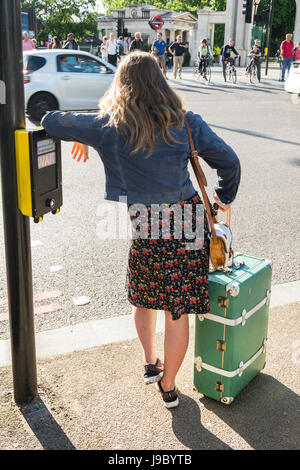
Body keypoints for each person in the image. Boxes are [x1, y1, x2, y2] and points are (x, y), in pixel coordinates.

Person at [41, 52, 240, 409]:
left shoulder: (108, 124)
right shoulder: (186, 122)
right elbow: (229, 161)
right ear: (160, 82)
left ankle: (150, 363)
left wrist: (84, 135)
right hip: (186, 222)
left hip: (146, 224)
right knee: (176, 310)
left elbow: (49, 120)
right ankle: (169, 385)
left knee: (144, 294)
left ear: (122, 84)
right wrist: (224, 197)